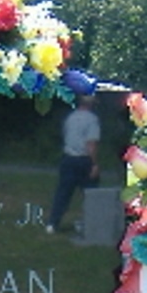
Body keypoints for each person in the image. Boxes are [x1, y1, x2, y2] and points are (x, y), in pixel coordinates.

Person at [46, 94, 101, 233]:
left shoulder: (70, 118)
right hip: (84, 160)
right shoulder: (92, 119)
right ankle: (89, 223)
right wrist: (94, 164)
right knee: (90, 194)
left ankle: (53, 223)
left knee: (63, 193)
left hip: (68, 158)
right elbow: (91, 143)